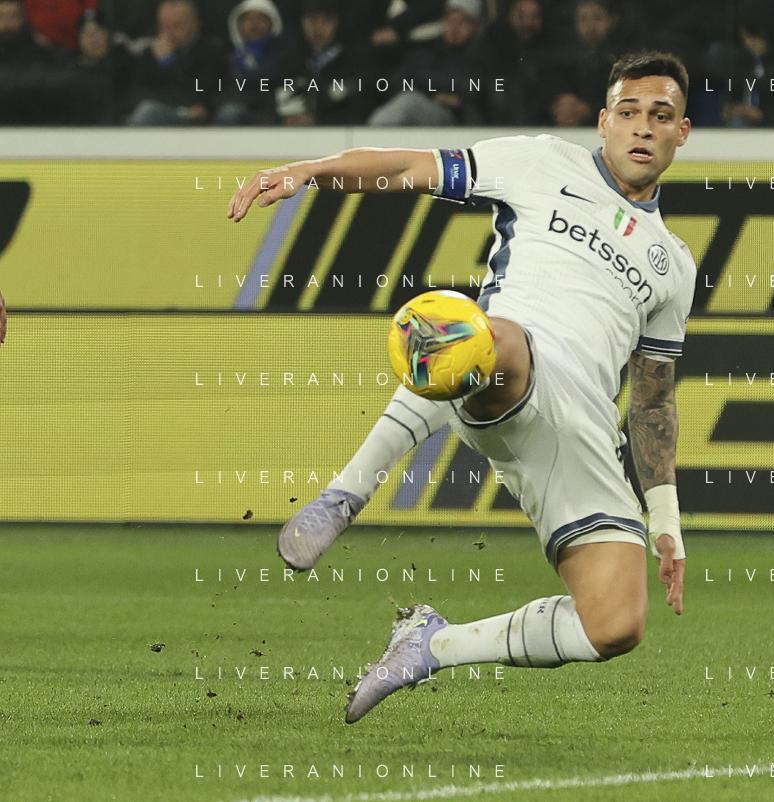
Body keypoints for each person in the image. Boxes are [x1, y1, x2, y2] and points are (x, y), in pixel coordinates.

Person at [229, 51, 692, 725]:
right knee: (468, 328)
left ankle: (432, 645)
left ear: (682, 132)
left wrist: (667, 522)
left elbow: (651, 399)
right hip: (506, 363)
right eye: (628, 112)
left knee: (615, 623)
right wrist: (310, 171)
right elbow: (406, 167)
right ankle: (343, 496)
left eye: (660, 115)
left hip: (581, 432)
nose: (642, 127)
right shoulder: (542, 161)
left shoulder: (673, 264)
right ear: (603, 122)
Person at [126, 0, 224, 126]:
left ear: (195, 24)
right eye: (163, 27)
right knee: (146, 110)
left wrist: (169, 61)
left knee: (148, 113)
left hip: (193, 124)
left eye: (177, 26)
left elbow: (195, 94)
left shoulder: (210, 53)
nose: (169, 34)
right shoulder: (150, 54)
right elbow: (136, 95)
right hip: (159, 113)